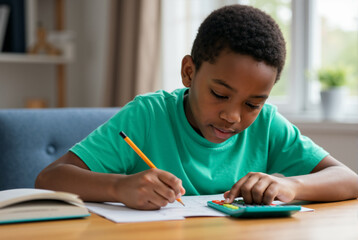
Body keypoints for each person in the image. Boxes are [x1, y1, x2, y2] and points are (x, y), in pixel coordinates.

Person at [36, 4, 358, 210]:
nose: (233, 116)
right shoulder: (148, 116)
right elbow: (50, 179)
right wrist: (118, 187)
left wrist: (291, 184)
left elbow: (348, 179)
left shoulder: (267, 125)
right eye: (219, 94)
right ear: (189, 72)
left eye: (252, 104)